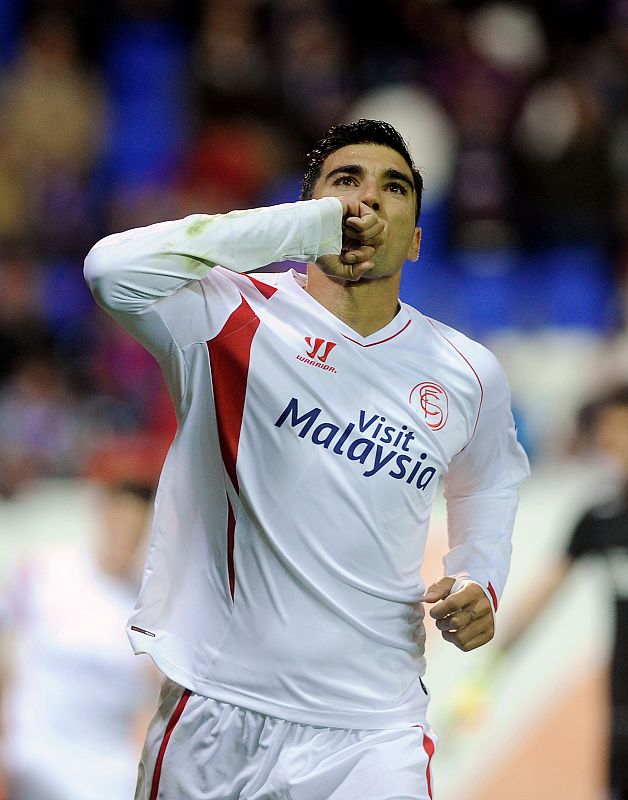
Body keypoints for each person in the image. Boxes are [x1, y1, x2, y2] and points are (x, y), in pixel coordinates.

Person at [84, 119, 529, 800]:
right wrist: (301, 230)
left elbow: (489, 483)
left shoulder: (468, 373)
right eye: (344, 183)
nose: (367, 200)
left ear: (415, 237)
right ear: (308, 211)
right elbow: (111, 271)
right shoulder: (228, 316)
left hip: (376, 730)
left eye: (393, 188)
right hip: (218, 709)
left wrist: (479, 577)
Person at [500, 383, 628, 800]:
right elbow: (544, 592)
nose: (612, 441)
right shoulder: (601, 517)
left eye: (626, 427)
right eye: (607, 430)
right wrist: (491, 660)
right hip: (626, 704)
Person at [0, 479, 160, 800]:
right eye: (120, 524)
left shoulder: (147, 613)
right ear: (102, 515)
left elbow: (151, 706)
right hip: (31, 766)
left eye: (135, 530)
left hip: (106, 778)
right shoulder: (44, 572)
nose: (124, 539)